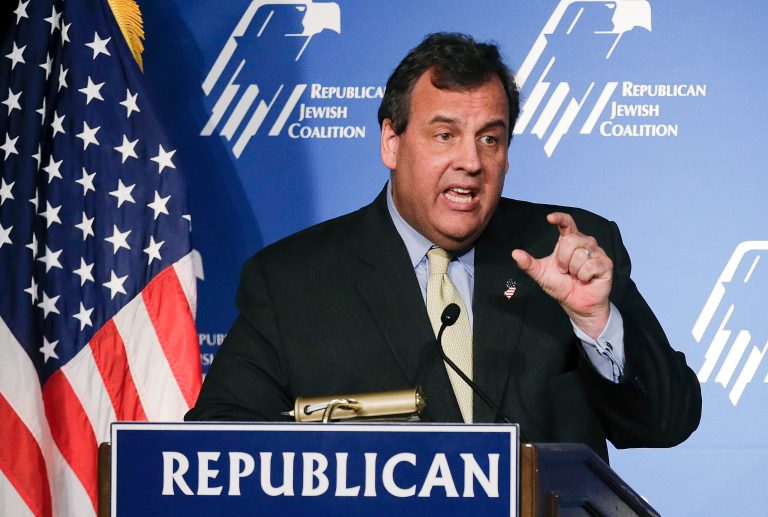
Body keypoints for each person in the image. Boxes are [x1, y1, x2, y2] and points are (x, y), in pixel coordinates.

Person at [186, 33, 701, 461]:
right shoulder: (292, 281)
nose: (471, 162)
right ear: (391, 141)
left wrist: (594, 322)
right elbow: (219, 452)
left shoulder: (564, 249)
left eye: (490, 139)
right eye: (444, 135)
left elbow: (666, 422)